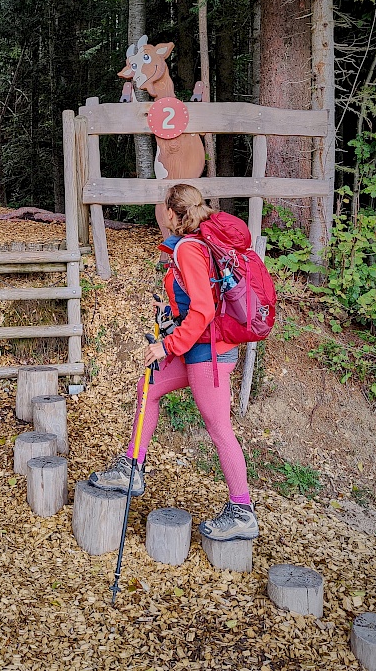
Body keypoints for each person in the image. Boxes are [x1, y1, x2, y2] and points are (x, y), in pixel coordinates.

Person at [89, 183, 258, 541]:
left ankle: (242, 510)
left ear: (171, 212)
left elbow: (204, 309)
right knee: (148, 387)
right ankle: (132, 467)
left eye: (163, 208)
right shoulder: (195, 245)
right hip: (197, 347)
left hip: (208, 352)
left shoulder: (189, 250)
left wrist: (167, 345)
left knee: (218, 427)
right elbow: (198, 300)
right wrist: (168, 311)